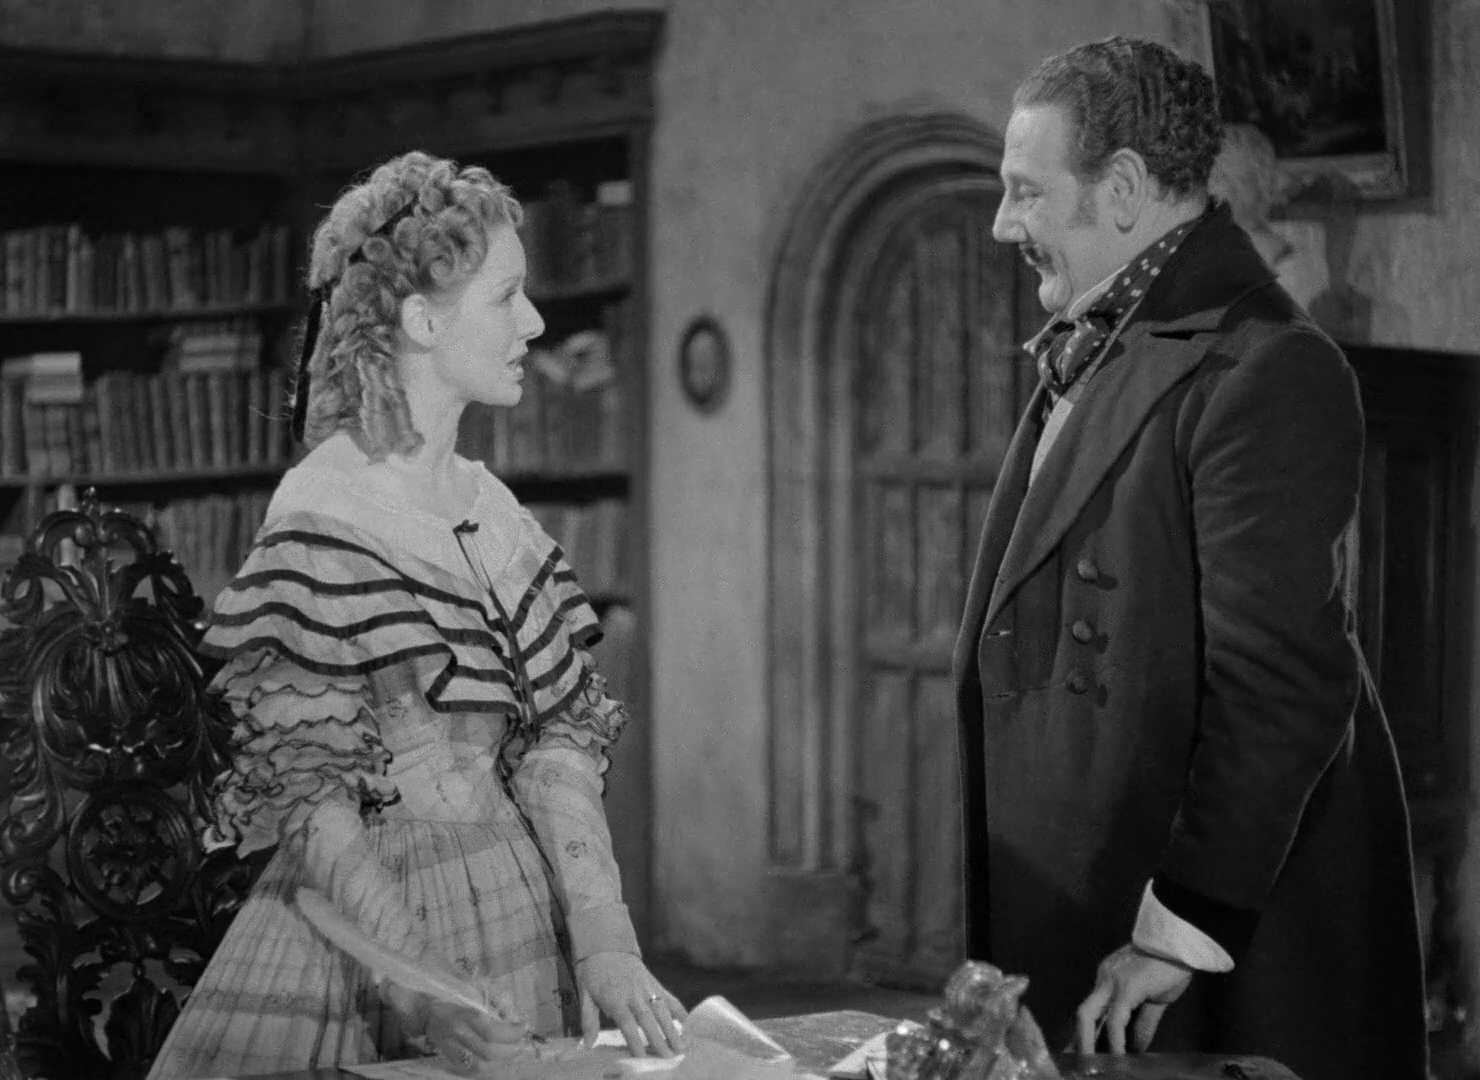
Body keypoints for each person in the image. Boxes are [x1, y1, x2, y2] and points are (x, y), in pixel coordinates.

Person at [147, 150, 687, 1079]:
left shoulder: (495, 510)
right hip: (371, 945)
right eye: (506, 296)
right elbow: (309, 794)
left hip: (521, 920)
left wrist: (605, 936)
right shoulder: (325, 512)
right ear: (422, 320)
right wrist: (418, 986)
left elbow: (557, 739)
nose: (534, 321)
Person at [950, 36, 1428, 1080]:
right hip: (1088, 878)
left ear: (1122, 190)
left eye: (1026, 192)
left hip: (1205, 934)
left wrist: (1178, 931)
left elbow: (1282, 683)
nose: (1003, 225)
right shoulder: (1109, 330)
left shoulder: (1268, 365)